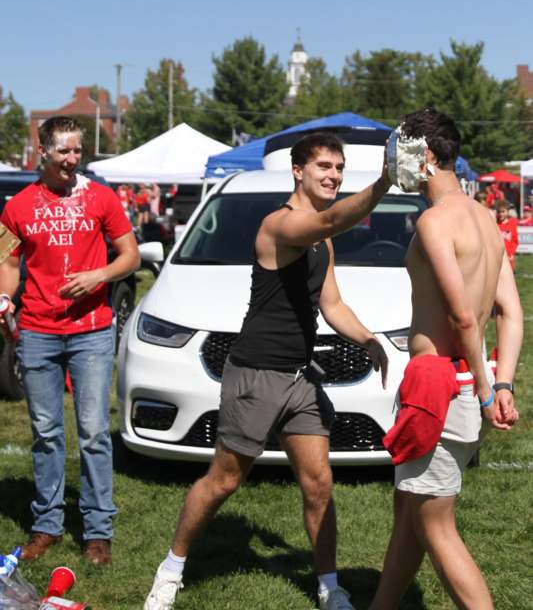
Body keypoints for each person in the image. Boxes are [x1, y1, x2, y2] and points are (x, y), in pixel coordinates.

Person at [144, 132, 390, 610]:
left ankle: (328, 585)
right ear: (298, 171)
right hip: (255, 373)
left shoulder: (322, 241)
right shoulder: (279, 224)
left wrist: (368, 339)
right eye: (324, 166)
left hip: (302, 378)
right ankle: (171, 568)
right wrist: (382, 183)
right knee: (225, 481)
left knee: (319, 484)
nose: (334, 176)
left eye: (339, 168)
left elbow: (331, 302)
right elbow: (337, 218)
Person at [370, 109, 522, 610]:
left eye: (399, 150)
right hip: (458, 386)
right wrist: (503, 385)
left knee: (437, 527)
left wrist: (483, 390)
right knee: (409, 514)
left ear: (426, 157)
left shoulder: (436, 222)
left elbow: (461, 318)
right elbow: (512, 313)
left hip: (442, 388)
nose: (394, 161)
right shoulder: (486, 218)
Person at [0, 116, 140, 565]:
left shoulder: (100, 198)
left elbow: (131, 254)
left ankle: (98, 529)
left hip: (92, 332)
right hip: (38, 331)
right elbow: (7, 261)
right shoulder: (16, 206)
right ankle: (47, 525)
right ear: (43, 151)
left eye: (78, 150)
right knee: (45, 433)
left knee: (95, 432)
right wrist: (4, 300)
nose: (72, 158)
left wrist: (100, 274)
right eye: (64, 151)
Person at [495, 199, 519, 271]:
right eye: (499, 212)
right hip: (497, 256)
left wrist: (511, 253)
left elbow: (515, 241)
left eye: (503, 212)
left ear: (508, 211)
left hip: (509, 256)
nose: (501, 214)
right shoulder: (495, 223)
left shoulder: (513, 223)